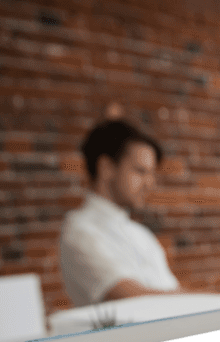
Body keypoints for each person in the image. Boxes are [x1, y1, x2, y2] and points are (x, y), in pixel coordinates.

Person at [60, 120, 186, 306]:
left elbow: (175, 294)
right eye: (140, 171)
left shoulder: (141, 234)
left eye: (151, 173)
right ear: (106, 168)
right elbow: (135, 300)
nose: (150, 183)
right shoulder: (81, 232)